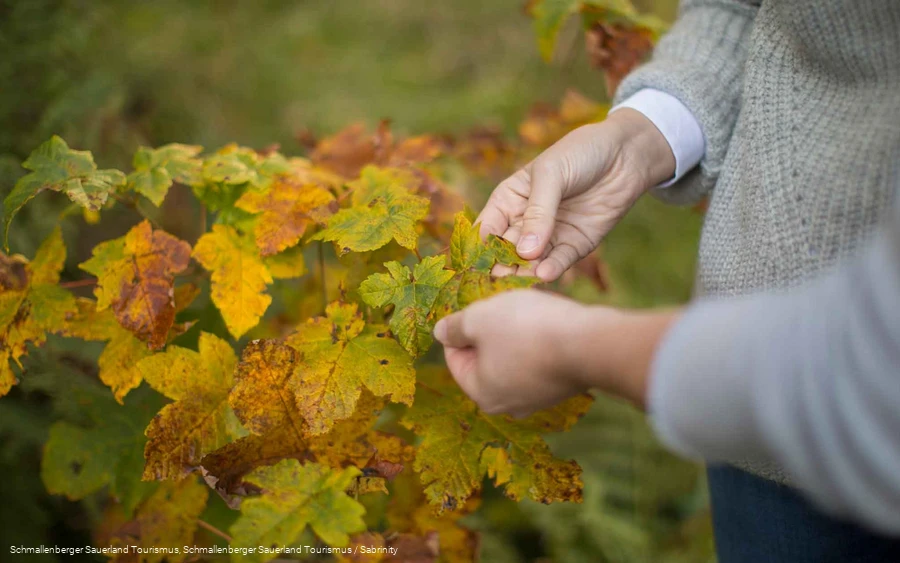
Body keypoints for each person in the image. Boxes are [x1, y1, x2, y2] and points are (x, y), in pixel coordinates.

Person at [434, 1, 900, 562]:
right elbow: (737, 8)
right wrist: (638, 138)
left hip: (780, 386)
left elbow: (871, 373)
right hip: (756, 448)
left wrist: (573, 348)